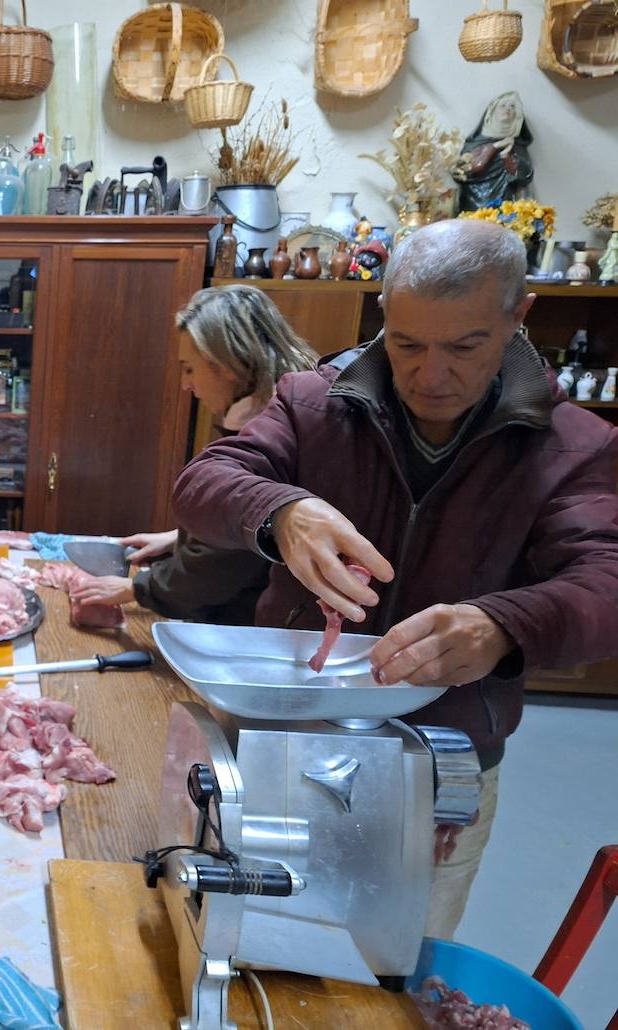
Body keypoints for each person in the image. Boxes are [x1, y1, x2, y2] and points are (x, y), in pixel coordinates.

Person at [170, 219, 618, 939]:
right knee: (243, 938)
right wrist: (282, 511)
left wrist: (507, 624)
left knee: (388, 970)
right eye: (407, 344)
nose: (429, 376)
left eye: (465, 346)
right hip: (287, 730)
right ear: (384, 314)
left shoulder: (571, 447)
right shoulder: (315, 403)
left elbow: (605, 584)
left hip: (439, 765)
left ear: (517, 317)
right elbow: (204, 482)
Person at [71, 285, 319, 625]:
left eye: (190, 368)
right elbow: (246, 529)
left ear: (226, 365)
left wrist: (137, 588)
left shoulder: (270, 434)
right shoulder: (281, 411)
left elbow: (223, 565)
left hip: (251, 630)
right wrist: (179, 538)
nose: (186, 384)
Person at [455, 90, 534, 213]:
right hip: (474, 203)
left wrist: (507, 155)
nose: (507, 109)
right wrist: (494, 147)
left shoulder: (517, 145)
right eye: (502, 106)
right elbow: (464, 170)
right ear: (491, 112)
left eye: (512, 107)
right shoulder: (476, 142)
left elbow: (524, 177)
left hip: (506, 207)